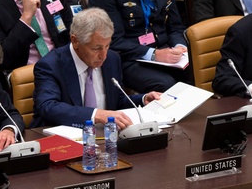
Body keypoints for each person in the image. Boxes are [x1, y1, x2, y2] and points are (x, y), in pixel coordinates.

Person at [31, 8, 161, 128]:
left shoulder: (112, 59)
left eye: (107, 46)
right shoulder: (50, 65)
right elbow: (48, 107)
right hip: (61, 138)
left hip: (105, 137)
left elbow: (117, 100)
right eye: (96, 48)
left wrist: (143, 99)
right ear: (75, 41)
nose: (103, 55)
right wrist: (96, 115)